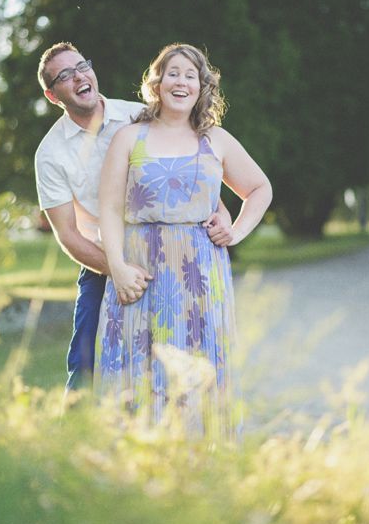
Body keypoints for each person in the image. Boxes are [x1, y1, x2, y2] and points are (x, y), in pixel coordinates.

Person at [33, 42, 233, 392]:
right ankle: (74, 437)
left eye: (82, 65)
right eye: (65, 75)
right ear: (53, 96)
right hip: (104, 261)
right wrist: (119, 270)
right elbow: (68, 234)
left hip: (174, 256)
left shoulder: (136, 114)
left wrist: (222, 211)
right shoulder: (50, 154)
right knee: (85, 360)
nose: (79, 76)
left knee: (187, 349)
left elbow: (192, 164)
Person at [95, 43, 272, 436]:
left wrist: (236, 231)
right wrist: (118, 268)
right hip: (141, 274)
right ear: (157, 83)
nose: (181, 82)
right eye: (173, 73)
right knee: (138, 367)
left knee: (199, 368)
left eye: (190, 75)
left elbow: (259, 188)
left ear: (201, 87)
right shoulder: (129, 138)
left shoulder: (216, 140)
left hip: (200, 278)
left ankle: (197, 472)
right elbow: (108, 209)